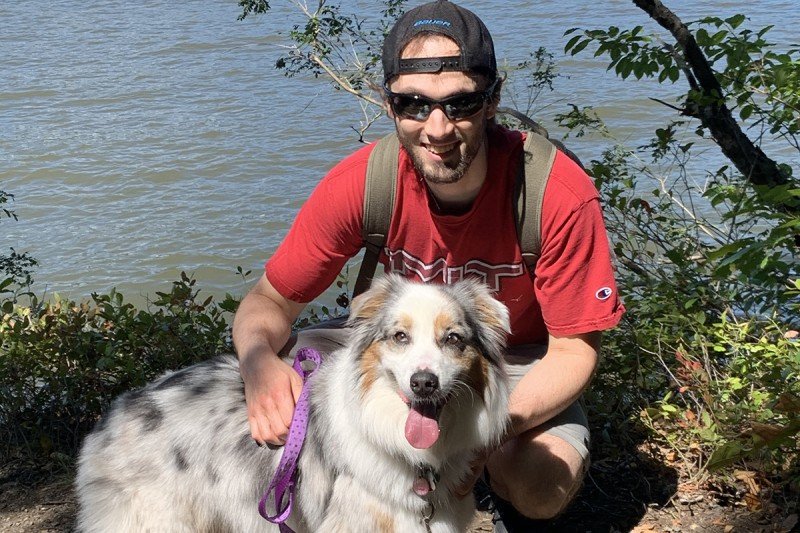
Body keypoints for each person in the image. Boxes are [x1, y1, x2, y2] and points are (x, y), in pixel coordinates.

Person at [232, 0, 625, 529]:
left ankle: (472, 475)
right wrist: (257, 360)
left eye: (461, 103)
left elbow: (574, 354)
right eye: (414, 103)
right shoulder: (362, 183)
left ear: (493, 100)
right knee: (281, 384)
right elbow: (269, 303)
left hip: (509, 361)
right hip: (396, 339)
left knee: (537, 483)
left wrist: (481, 435)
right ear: (388, 103)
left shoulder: (555, 195)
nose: (437, 127)